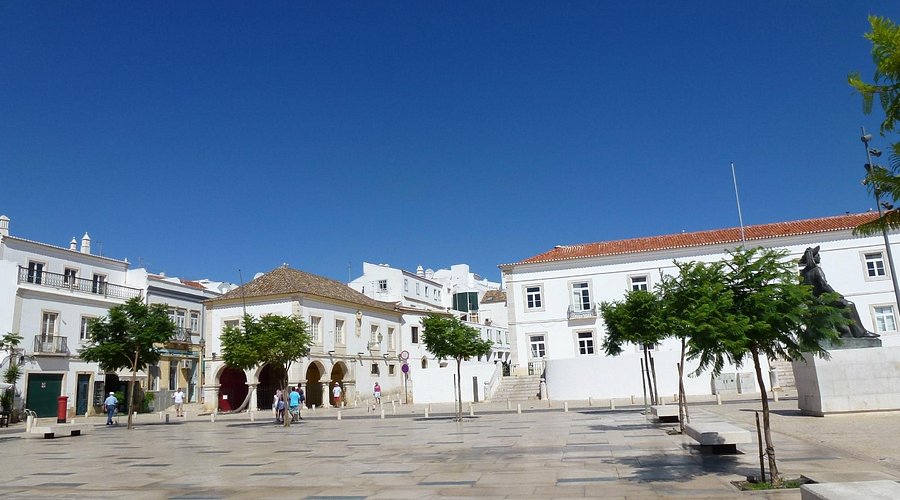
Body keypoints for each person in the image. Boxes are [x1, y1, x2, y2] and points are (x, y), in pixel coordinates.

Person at [800, 246, 879, 339]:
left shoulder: (803, 273)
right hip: (823, 301)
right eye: (817, 255)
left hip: (814, 302)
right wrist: (836, 295)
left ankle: (849, 332)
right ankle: (860, 333)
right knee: (849, 305)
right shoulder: (816, 270)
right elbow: (824, 285)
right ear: (813, 258)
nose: (819, 257)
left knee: (845, 304)